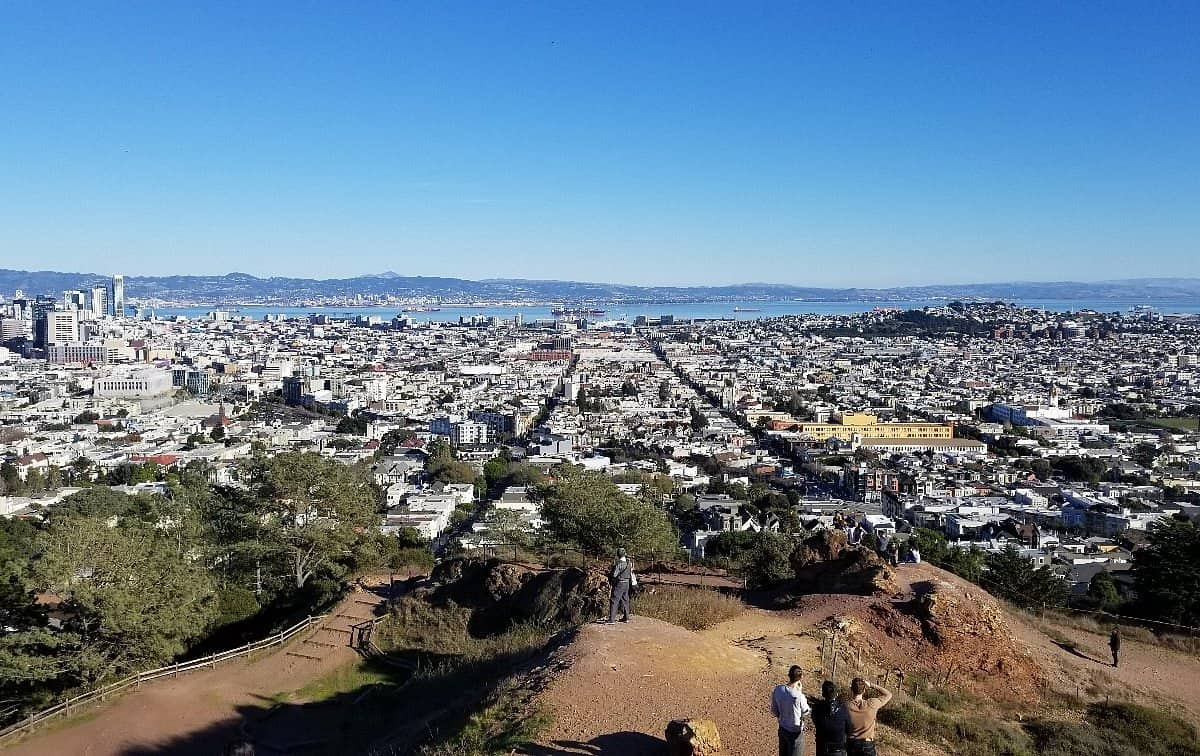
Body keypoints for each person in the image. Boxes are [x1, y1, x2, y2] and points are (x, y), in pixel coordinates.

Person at [771, 665, 811, 756]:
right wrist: (799, 691)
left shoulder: (778, 689)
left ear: (789, 675)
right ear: (801, 678)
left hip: (782, 728)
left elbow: (774, 710)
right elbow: (806, 711)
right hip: (795, 732)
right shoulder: (799, 696)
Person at [846, 678, 892, 756]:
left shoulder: (846, 706)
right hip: (867, 744)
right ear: (864, 690)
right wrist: (871, 685)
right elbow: (888, 694)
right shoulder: (872, 704)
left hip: (852, 744)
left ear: (851, 689)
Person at [810, 680, 851, 756]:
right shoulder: (843, 708)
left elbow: (815, 721)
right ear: (836, 693)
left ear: (823, 694)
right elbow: (849, 728)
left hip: (822, 747)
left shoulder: (817, 708)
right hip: (838, 748)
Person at [607, 547, 636, 623]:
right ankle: (626, 618)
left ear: (618, 555)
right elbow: (631, 572)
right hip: (627, 583)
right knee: (625, 599)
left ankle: (612, 619)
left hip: (619, 583)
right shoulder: (629, 562)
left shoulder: (619, 564)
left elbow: (614, 575)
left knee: (614, 600)